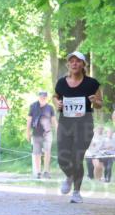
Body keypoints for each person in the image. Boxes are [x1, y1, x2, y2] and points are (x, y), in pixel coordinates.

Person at [55, 51, 103, 203]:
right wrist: (57, 103)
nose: (74, 63)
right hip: (65, 123)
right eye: (71, 61)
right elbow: (55, 96)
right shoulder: (61, 83)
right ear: (68, 64)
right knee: (63, 159)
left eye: (78, 61)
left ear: (83, 64)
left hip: (84, 124)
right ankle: (69, 176)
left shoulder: (92, 83)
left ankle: (76, 192)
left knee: (77, 158)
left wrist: (95, 101)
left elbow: (100, 104)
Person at [27, 91, 56, 178]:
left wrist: (58, 130)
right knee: (37, 153)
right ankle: (38, 172)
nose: (43, 98)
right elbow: (29, 120)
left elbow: (54, 120)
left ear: (46, 98)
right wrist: (27, 132)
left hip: (47, 133)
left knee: (47, 152)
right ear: (38, 97)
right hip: (36, 133)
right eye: (41, 96)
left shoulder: (50, 108)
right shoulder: (33, 106)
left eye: (44, 97)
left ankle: (46, 171)